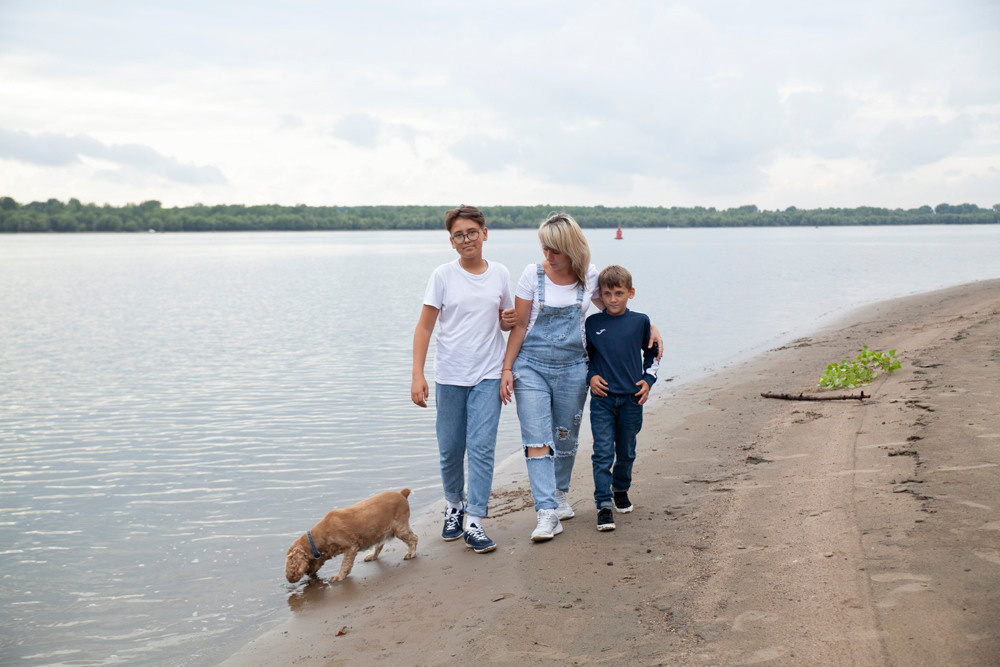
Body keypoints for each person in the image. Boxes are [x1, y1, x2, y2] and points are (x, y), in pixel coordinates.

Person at [500, 213, 661, 542]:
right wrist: (506, 368)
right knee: (536, 439)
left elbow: (616, 311)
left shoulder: (589, 276)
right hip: (530, 364)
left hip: (574, 366)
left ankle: (559, 495)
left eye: (555, 250)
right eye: (545, 248)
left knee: (565, 438)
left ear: (571, 248)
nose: (548, 256)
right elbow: (519, 325)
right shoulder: (532, 275)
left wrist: (650, 326)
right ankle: (546, 512)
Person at [411, 205, 513, 554]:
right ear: (451, 241)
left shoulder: (499, 273)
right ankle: (454, 505)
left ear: (484, 234)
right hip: (451, 375)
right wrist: (417, 374)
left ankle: (475, 521)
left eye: (472, 232)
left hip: (488, 373)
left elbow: (504, 322)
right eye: (459, 234)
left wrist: (508, 325)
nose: (466, 239)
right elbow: (425, 326)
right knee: (451, 448)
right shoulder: (442, 276)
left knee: (482, 446)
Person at [585, 265, 659, 531]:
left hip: (631, 400)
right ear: (600, 295)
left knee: (626, 451)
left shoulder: (641, 322)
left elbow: (653, 355)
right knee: (602, 452)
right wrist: (591, 377)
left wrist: (648, 381)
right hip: (602, 400)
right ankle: (603, 505)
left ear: (631, 292)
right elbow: (586, 358)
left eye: (619, 293)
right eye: (607, 294)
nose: (613, 299)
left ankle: (620, 489)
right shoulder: (592, 324)